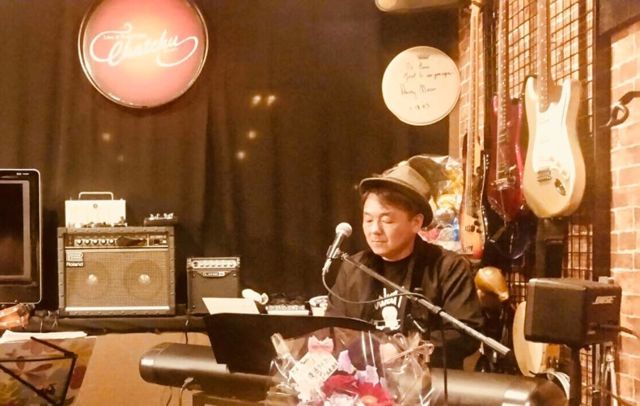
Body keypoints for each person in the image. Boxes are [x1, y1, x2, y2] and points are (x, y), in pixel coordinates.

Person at [325, 156, 484, 369]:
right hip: (364, 382)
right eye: (368, 219)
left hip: (427, 382)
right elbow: (334, 328)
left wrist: (406, 349)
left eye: (387, 220)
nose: (374, 230)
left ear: (416, 222)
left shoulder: (447, 267)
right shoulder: (353, 268)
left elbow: (465, 334)